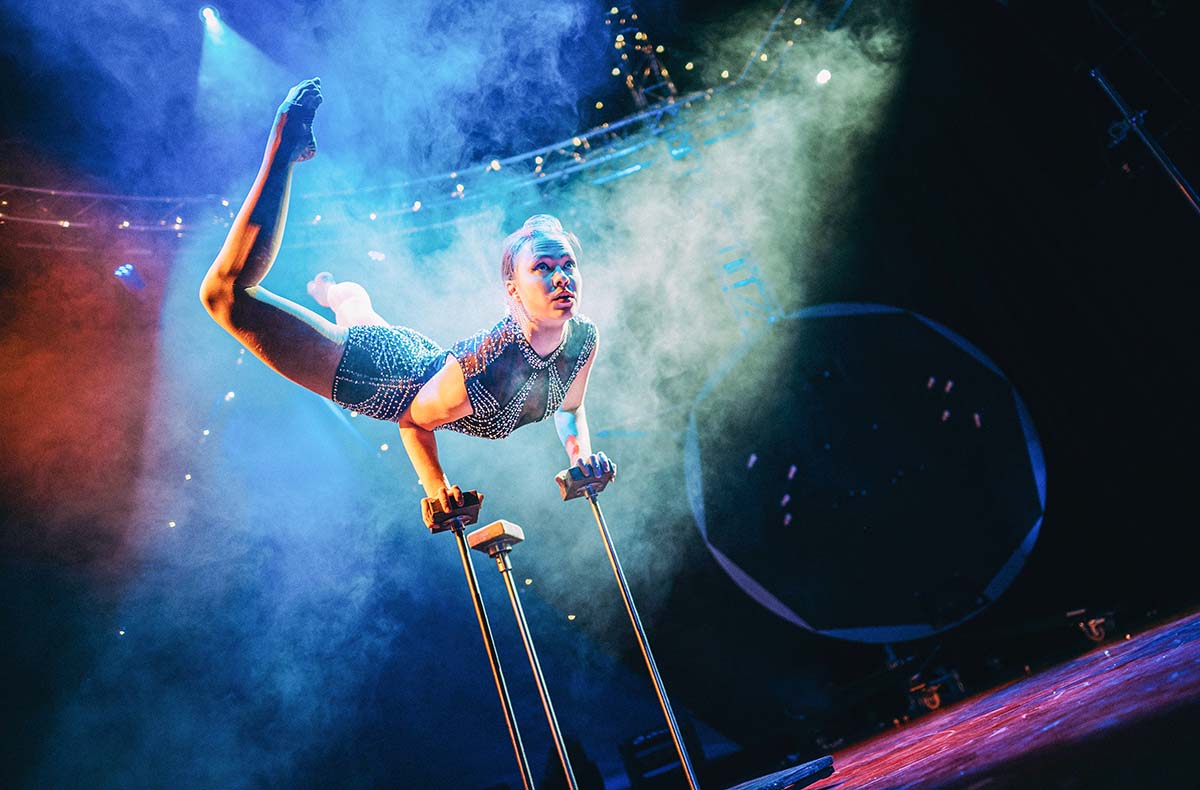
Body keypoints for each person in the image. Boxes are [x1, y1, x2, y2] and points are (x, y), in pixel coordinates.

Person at [199, 78, 613, 513]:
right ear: (513, 289)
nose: (562, 278)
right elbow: (414, 418)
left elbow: (570, 406)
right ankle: (283, 146)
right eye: (542, 268)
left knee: (355, 308)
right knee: (224, 295)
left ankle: (332, 291)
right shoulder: (492, 361)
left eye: (568, 265)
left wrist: (580, 455)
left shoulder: (582, 339)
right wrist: (438, 488)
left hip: (416, 354)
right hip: (374, 373)